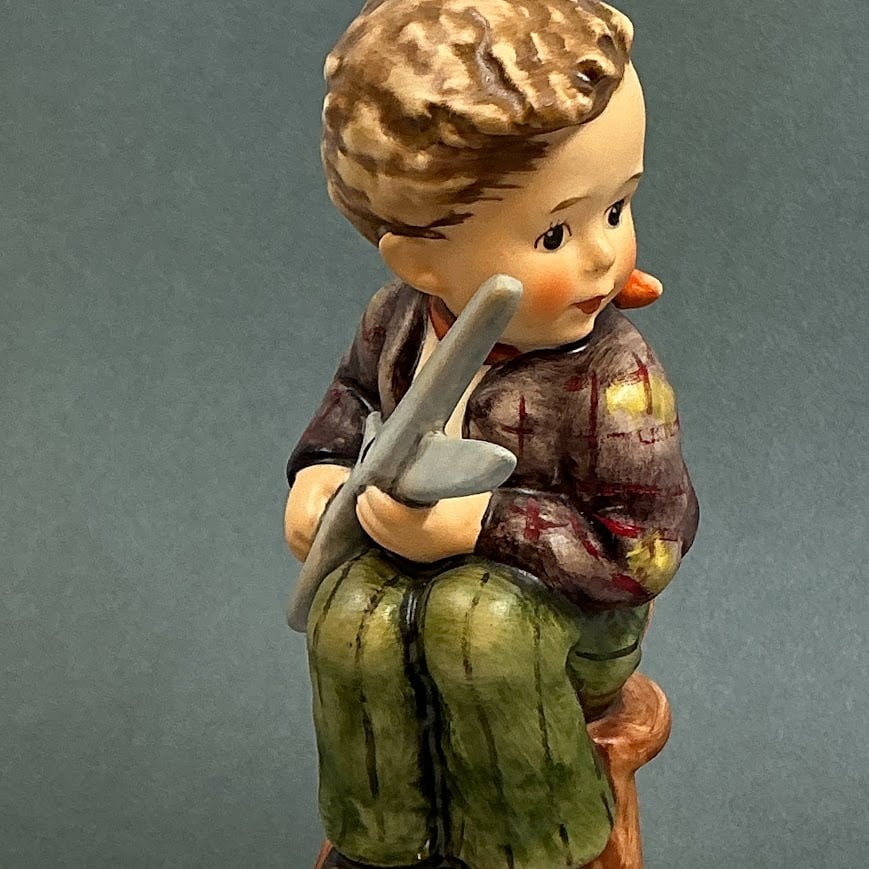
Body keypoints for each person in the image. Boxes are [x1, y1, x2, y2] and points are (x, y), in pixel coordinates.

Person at [285, 1, 699, 866]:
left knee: (478, 624)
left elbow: (645, 547)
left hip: (573, 615)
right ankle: (381, 839)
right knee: (349, 617)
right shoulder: (395, 323)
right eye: (553, 232)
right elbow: (349, 402)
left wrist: (486, 526)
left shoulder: (613, 378)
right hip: (408, 568)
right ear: (420, 263)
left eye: (616, 209)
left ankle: (536, 844)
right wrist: (319, 473)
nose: (600, 255)